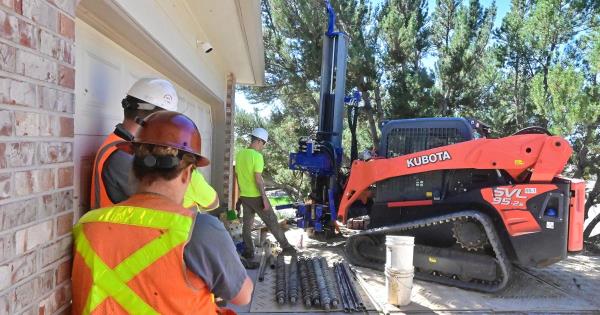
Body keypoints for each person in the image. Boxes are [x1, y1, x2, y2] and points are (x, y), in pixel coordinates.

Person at [72, 111, 253, 314]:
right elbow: (243, 296)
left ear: (133, 169)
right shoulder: (198, 230)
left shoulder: (87, 225)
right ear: (187, 174)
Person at [90, 77, 218, 211]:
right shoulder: (124, 155)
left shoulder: (122, 146)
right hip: (118, 230)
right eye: (168, 121)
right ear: (157, 118)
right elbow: (160, 207)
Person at [235, 128, 296, 259]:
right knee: (272, 222)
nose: (262, 147)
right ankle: (287, 248)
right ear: (257, 141)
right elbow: (258, 179)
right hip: (256, 196)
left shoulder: (239, 154)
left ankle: (249, 251)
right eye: (263, 143)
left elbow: (237, 175)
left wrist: (239, 195)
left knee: (247, 225)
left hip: (245, 196)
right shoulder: (257, 156)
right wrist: (264, 198)